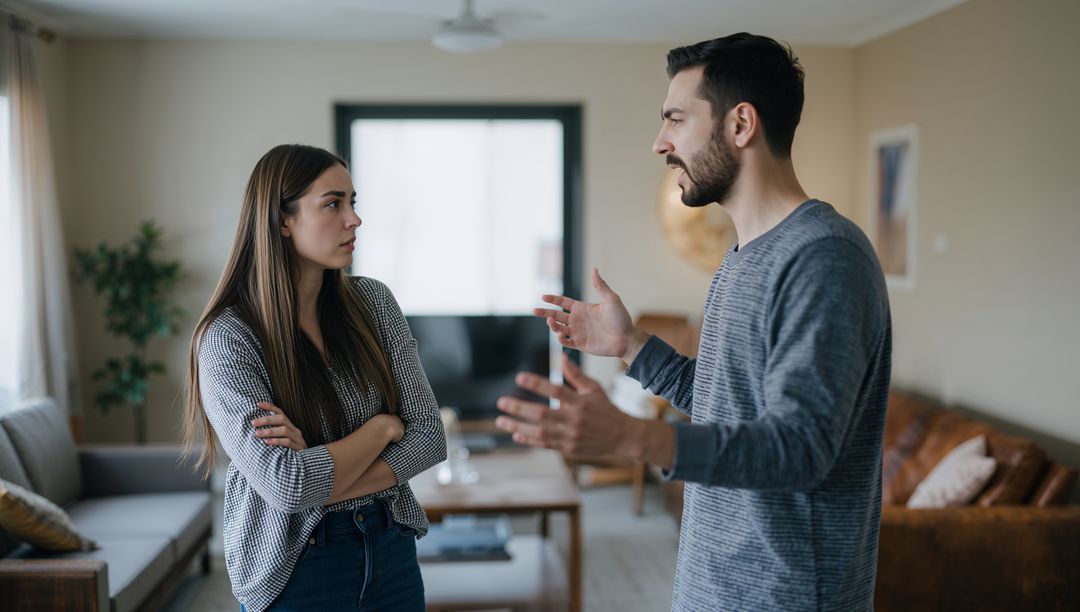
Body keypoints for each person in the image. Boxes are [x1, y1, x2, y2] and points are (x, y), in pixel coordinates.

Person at [495, 33, 892, 611]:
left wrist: (632, 436)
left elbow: (802, 449)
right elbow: (727, 403)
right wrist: (631, 346)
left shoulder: (825, 256)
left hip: (785, 598)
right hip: (715, 585)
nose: (661, 143)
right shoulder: (742, 257)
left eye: (676, 120)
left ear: (740, 125)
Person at [183, 144, 446, 611]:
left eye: (353, 202)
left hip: (389, 548)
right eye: (333, 204)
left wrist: (321, 473)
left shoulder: (374, 304)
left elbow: (428, 437)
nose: (354, 220)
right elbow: (288, 487)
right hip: (295, 566)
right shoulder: (228, 338)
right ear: (283, 220)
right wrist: (383, 428)